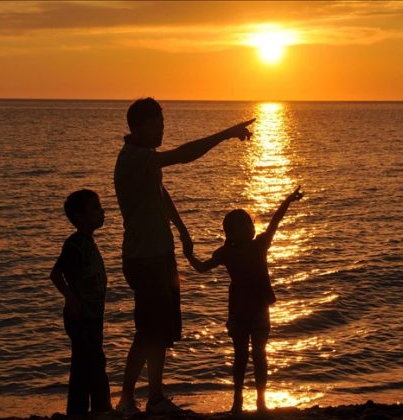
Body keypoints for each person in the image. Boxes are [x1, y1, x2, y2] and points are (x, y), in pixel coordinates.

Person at [114, 97, 255, 415]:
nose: (162, 128)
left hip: (160, 254)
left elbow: (161, 193)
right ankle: (125, 400)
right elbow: (182, 156)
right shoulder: (134, 158)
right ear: (139, 127)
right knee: (147, 330)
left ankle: (156, 398)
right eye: (156, 124)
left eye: (163, 122)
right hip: (144, 257)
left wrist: (181, 229)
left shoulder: (145, 158)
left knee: (161, 330)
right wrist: (225, 134)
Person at [184, 186, 304, 414]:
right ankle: (238, 400)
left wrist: (288, 200)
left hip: (257, 307)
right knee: (242, 356)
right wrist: (189, 254)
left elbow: (276, 220)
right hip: (240, 310)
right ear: (231, 232)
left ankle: (260, 401)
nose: (250, 227)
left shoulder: (260, 244)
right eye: (243, 225)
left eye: (250, 223)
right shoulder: (227, 252)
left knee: (258, 354)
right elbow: (201, 268)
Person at [49, 189, 112, 417]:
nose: (102, 211)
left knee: (90, 362)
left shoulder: (86, 242)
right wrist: (71, 298)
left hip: (92, 315)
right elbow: (57, 274)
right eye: (95, 207)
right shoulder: (75, 245)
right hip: (81, 316)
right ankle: (94, 409)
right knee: (89, 364)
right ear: (79, 216)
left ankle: (92, 409)